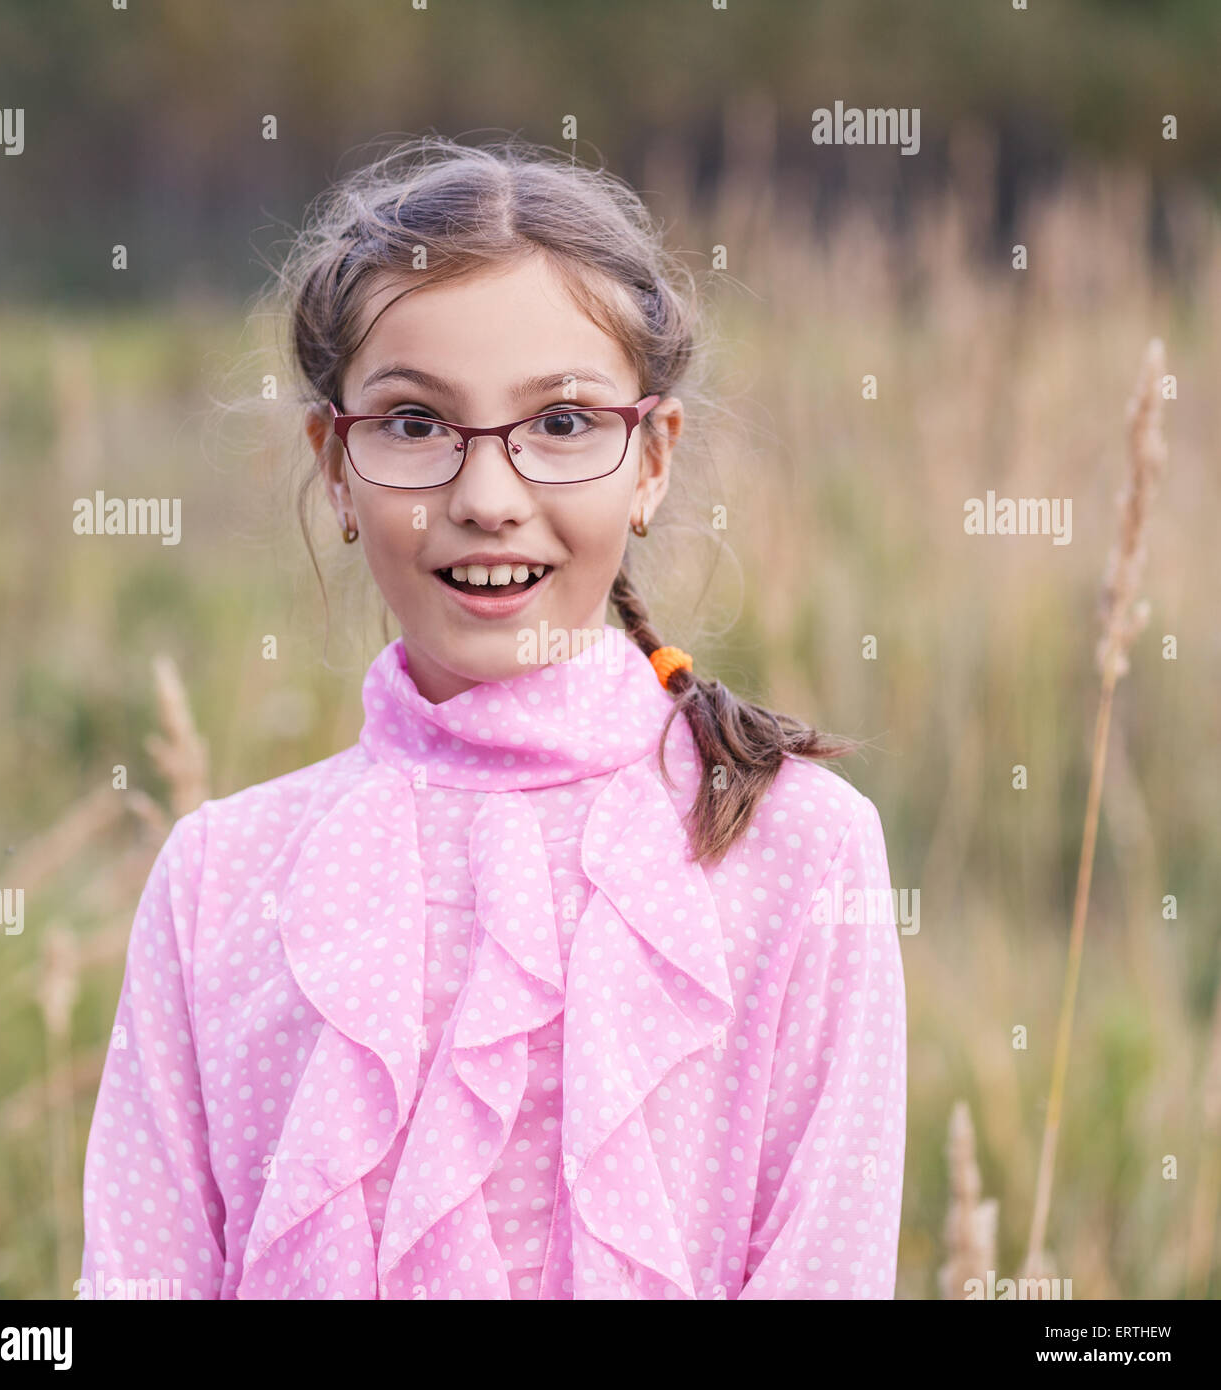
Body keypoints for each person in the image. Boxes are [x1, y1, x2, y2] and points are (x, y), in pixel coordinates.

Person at [79, 135, 907, 1300]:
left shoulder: (803, 850)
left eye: (561, 423)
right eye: (415, 424)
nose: (486, 496)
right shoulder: (218, 877)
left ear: (652, 458)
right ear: (335, 462)